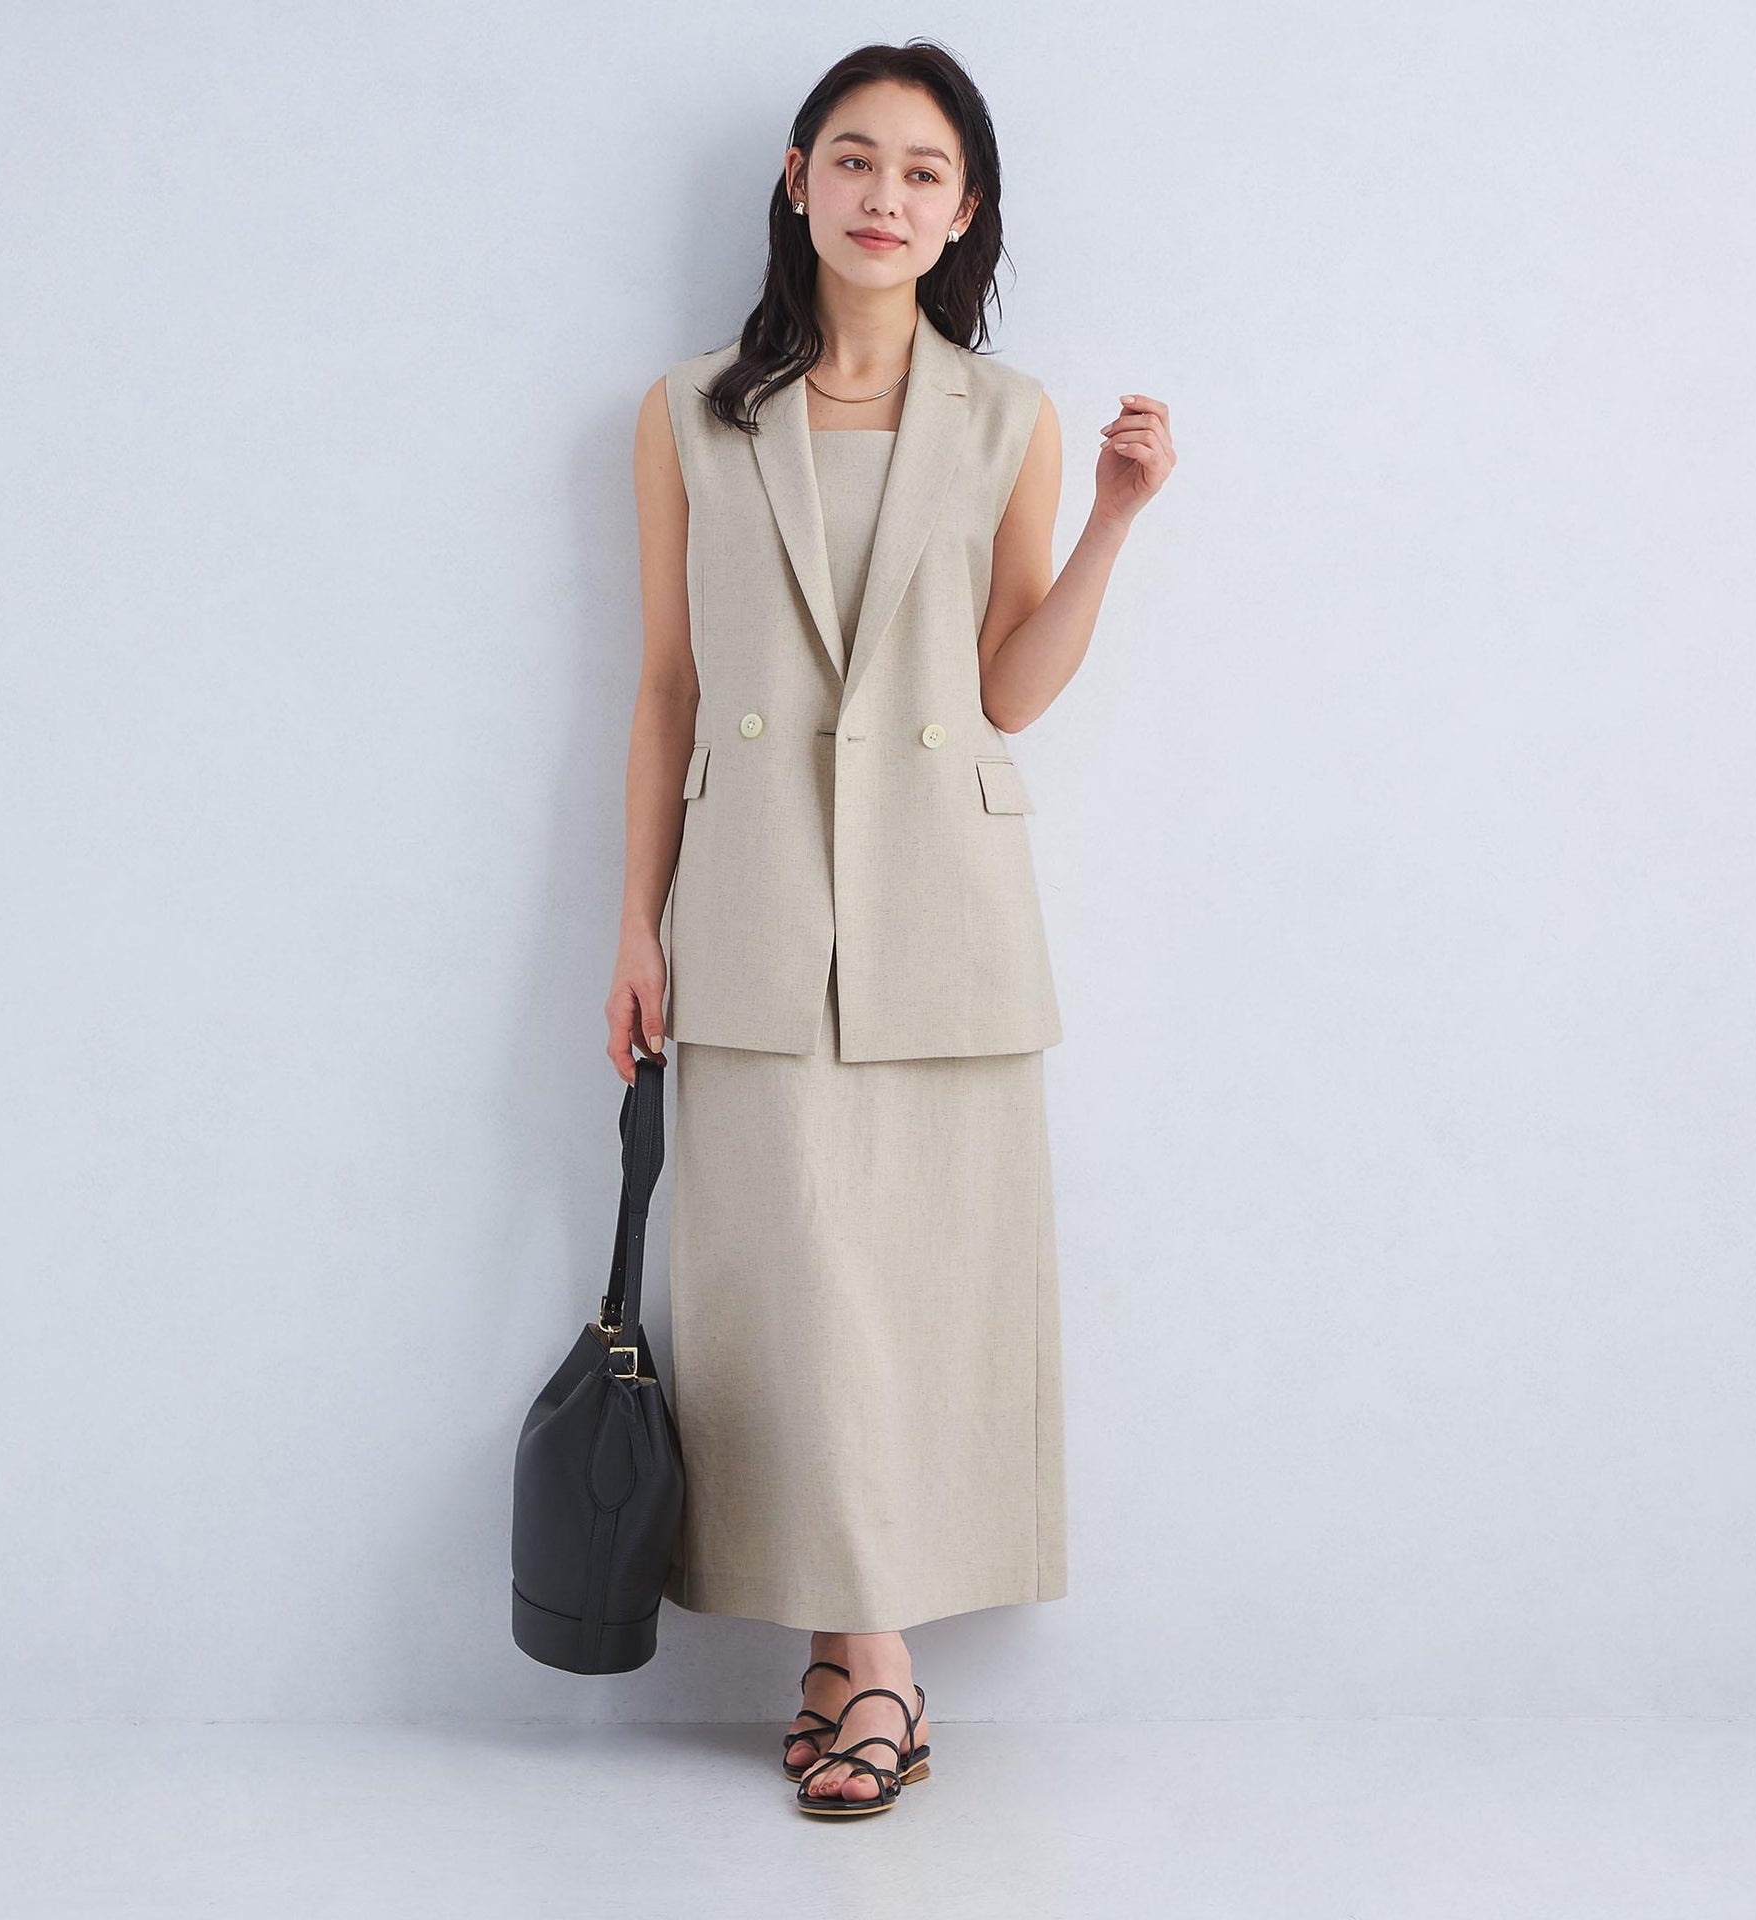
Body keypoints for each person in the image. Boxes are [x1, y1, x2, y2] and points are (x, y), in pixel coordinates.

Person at [606, 41, 1171, 1817]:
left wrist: (1111, 529)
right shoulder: (691, 411)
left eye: (924, 172)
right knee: (788, 1295)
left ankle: (859, 1669)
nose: (884, 195)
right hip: (753, 899)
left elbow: (1004, 689)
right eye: (854, 159)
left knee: (922, 1299)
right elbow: (667, 686)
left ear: (963, 211)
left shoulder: (1009, 420)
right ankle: (880, 1667)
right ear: (797, 180)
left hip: (942, 905)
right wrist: (633, 926)